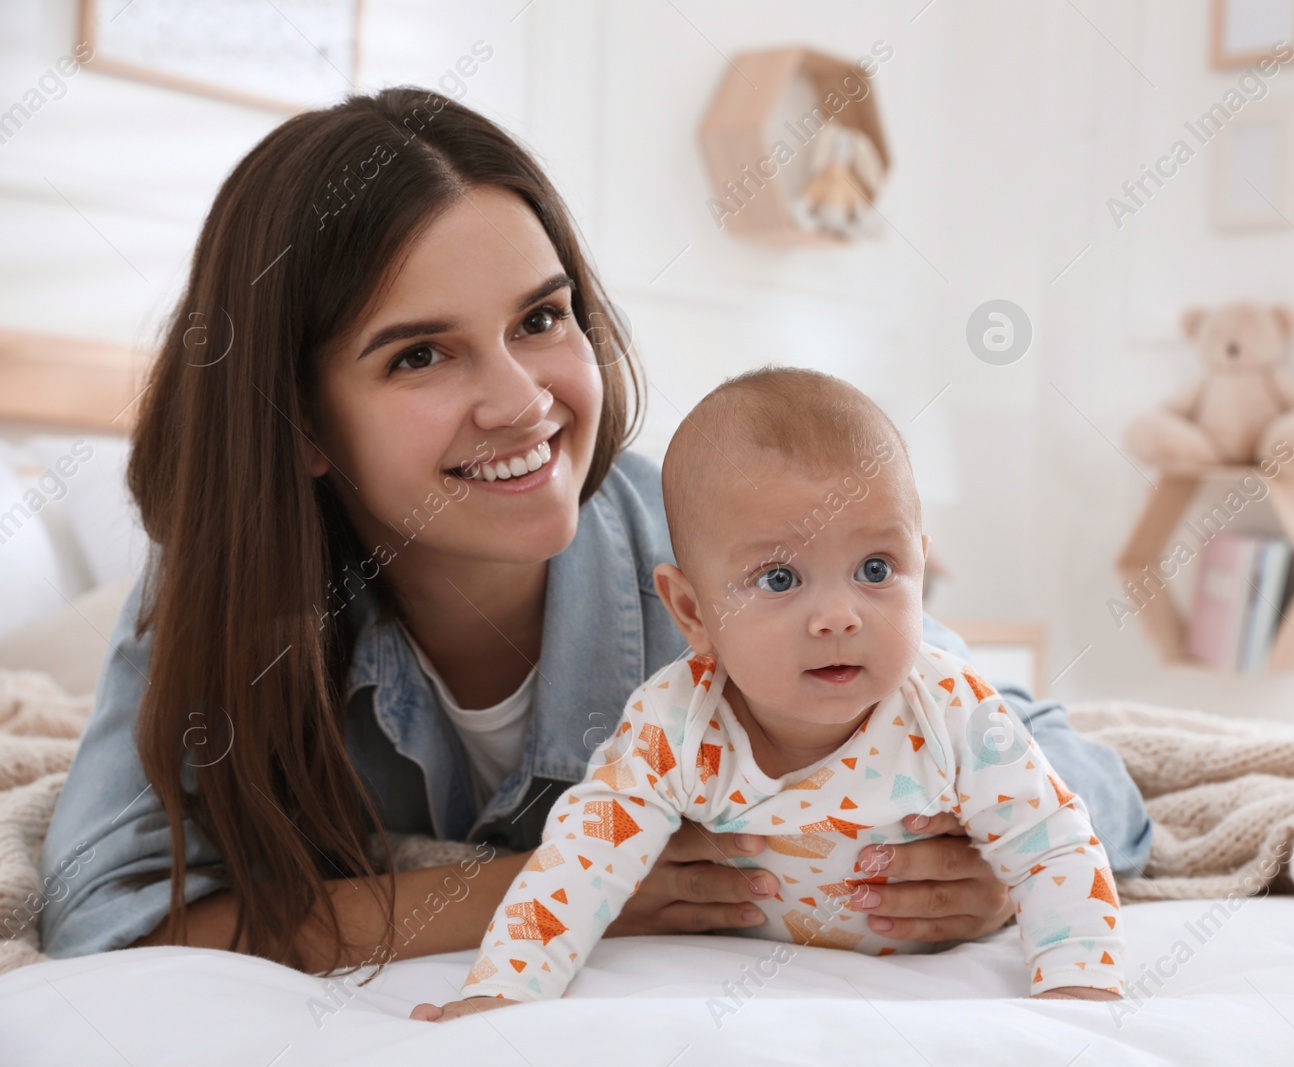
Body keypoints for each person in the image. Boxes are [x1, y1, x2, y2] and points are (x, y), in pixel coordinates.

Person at [37, 86, 1152, 977]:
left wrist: (999, 871)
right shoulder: (230, 595)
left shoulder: (712, 572)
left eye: (541, 316)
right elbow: (113, 915)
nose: (524, 400)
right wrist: (571, 879)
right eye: (419, 353)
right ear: (301, 419)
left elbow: (1077, 773)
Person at [414, 367, 1125, 1020]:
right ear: (691, 612)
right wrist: (502, 990)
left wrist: (1077, 989)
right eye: (780, 579)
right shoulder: (675, 722)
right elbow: (577, 865)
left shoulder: (951, 709)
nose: (839, 615)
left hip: (913, 983)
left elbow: (1053, 845)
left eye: (877, 567)